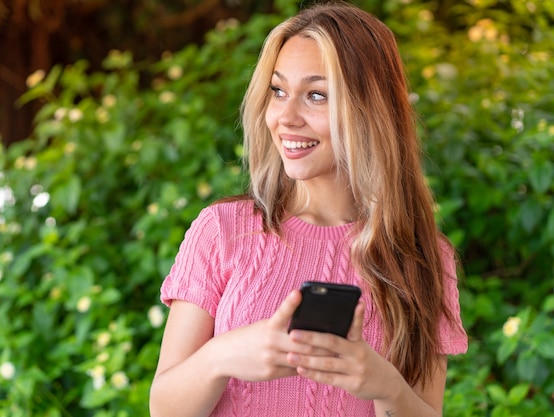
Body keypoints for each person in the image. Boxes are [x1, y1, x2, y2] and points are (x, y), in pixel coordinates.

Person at [149, 2, 468, 416]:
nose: (285, 116)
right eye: (278, 91)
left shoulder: (423, 258)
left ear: (370, 111)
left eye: (316, 95)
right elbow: (163, 410)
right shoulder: (222, 231)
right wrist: (223, 355)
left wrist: (386, 386)